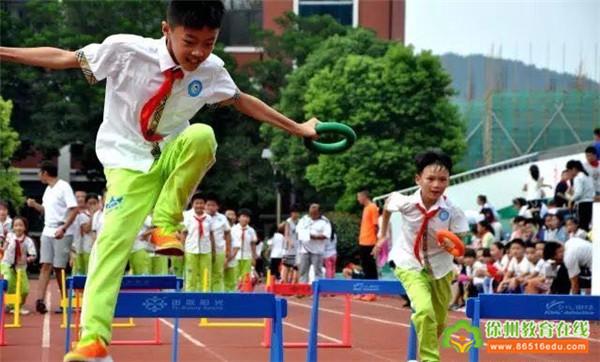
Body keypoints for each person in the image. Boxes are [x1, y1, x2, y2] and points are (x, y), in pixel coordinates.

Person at [1, 1, 319, 358]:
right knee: (112, 242)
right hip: (126, 163)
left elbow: (243, 101)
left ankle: (166, 222)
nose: (199, 52)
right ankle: (94, 338)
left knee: (202, 136)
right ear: (167, 30)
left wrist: (298, 128)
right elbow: (64, 58)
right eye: (190, 41)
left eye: (209, 42)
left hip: (169, 158)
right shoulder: (126, 51)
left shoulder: (211, 70)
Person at [373, 149, 469, 362]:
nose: (436, 185)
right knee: (425, 311)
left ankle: (425, 352)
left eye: (442, 179)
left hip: (441, 267)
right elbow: (388, 205)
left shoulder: (453, 211)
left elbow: (461, 237)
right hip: (409, 262)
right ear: (418, 179)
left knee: (440, 321)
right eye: (431, 179)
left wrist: (451, 242)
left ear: (449, 181)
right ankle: (429, 359)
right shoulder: (405, 202)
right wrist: (382, 236)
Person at [26, 161, 78, 315]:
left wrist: (64, 227)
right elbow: (46, 210)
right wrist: (35, 205)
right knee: (45, 265)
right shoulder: (48, 190)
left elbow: (74, 209)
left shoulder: (63, 187)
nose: (38, 176)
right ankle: (40, 300)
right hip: (47, 230)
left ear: (45, 173)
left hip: (61, 229)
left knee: (59, 267)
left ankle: (65, 301)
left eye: (39, 173)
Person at [0, 217, 37, 315]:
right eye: (16, 225)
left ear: (25, 228)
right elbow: (4, 247)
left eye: (21, 225)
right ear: (13, 227)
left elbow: (33, 255)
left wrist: (28, 259)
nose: (18, 228)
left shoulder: (28, 240)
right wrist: (2, 249)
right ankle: (9, 305)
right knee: (9, 284)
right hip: (7, 264)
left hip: (20, 267)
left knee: (24, 289)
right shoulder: (10, 236)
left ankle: (18, 305)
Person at [183, 193, 213, 291]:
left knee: (205, 274)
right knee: (191, 274)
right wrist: (181, 249)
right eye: (197, 203)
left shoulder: (208, 218)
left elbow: (211, 235)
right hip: (191, 250)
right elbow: (184, 234)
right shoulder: (187, 217)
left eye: (201, 203)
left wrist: (214, 250)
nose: (199, 205)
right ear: (192, 204)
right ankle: (190, 294)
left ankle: (205, 294)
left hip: (206, 250)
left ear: (205, 205)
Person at [297, 204, 331, 284]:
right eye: (311, 213)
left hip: (317, 251)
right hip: (304, 249)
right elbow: (298, 230)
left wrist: (313, 236)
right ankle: (303, 290)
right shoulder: (304, 220)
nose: (312, 215)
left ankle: (317, 290)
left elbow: (326, 235)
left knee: (318, 272)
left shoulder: (325, 222)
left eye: (314, 213)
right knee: (303, 271)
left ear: (319, 213)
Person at [356, 190, 379, 301]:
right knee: (365, 268)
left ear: (364, 197)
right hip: (363, 242)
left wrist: (376, 243)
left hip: (370, 242)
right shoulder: (366, 208)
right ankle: (366, 291)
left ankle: (372, 292)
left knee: (371, 268)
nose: (358, 199)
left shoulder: (372, 207)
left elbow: (376, 226)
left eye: (359, 197)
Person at [205, 195, 230, 292]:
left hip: (220, 250)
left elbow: (228, 234)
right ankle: (205, 293)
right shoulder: (202, 217)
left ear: (217, 207)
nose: (210, 207)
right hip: (205, 250)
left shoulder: (222, 218)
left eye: (213, 205)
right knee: (205, 273)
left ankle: (218, 294)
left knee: (218, 273)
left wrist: (228, 250)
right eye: (208, 205)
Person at [72, 193, 99, 275]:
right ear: (86, 204)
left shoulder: (102, 214)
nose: (92, 205)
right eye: (90, 203)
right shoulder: (83, 215)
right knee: (85, 270)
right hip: (87, 247)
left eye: (94, 203)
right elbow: (86, 229)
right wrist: (92, 216)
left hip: (99, 245)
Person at [230, 208, 257, 286]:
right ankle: (235, 293)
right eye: (244, 216)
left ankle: (245, 293)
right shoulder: (233, 229)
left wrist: (254, 257)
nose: (246, 219)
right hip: (235, 256)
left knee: (246, 277)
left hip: (247, 257)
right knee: (235, 276)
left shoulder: (251, 230)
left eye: (247, 217)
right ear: (238, 218)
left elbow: (253, 244)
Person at [565, 160, 594, 231]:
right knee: (589, 224)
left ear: (574, 169)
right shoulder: (587, 176)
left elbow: (578, 193)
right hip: (590, 202)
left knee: (583, 225)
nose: (569, 173)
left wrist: (570, 199)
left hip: (583, 204)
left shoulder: (578, 178)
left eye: (569, 171)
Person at [281, 205, 300, 284]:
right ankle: (285, 284)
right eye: (294, 212)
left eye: (297, 212)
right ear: (291, 213)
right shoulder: (288, 222)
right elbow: (286, 234)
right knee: (287, 266)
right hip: (289, 248)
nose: (295, 214)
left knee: (297, 266)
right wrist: (289, 242)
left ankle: (295, 284)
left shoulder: (299, 222)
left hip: (297, 247)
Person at [223, 209, 238, 291]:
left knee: (231, 284)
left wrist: (227, 260)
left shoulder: (235, 230)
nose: (230, 217)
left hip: (230, 261)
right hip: (219, 261)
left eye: (232, 215)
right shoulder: (218, 229)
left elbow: (236, 248)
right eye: (228, 215)